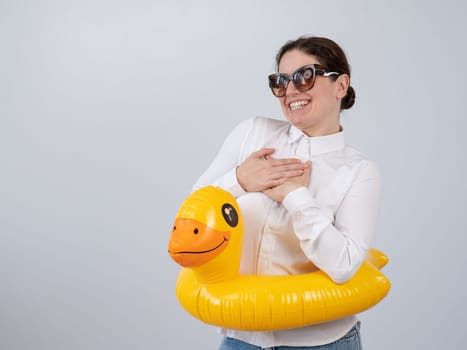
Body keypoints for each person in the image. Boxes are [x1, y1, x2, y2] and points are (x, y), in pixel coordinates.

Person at [192, 36, 382, 350]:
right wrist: (240, 180)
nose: (291, 90)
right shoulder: (252, 134)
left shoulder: (360, 171)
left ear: (340, 85)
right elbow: (192, 215)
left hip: (321, 343)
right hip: (241, 339)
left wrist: (296, 197)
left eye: (304, 76)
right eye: (280, 81)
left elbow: (344, 264)